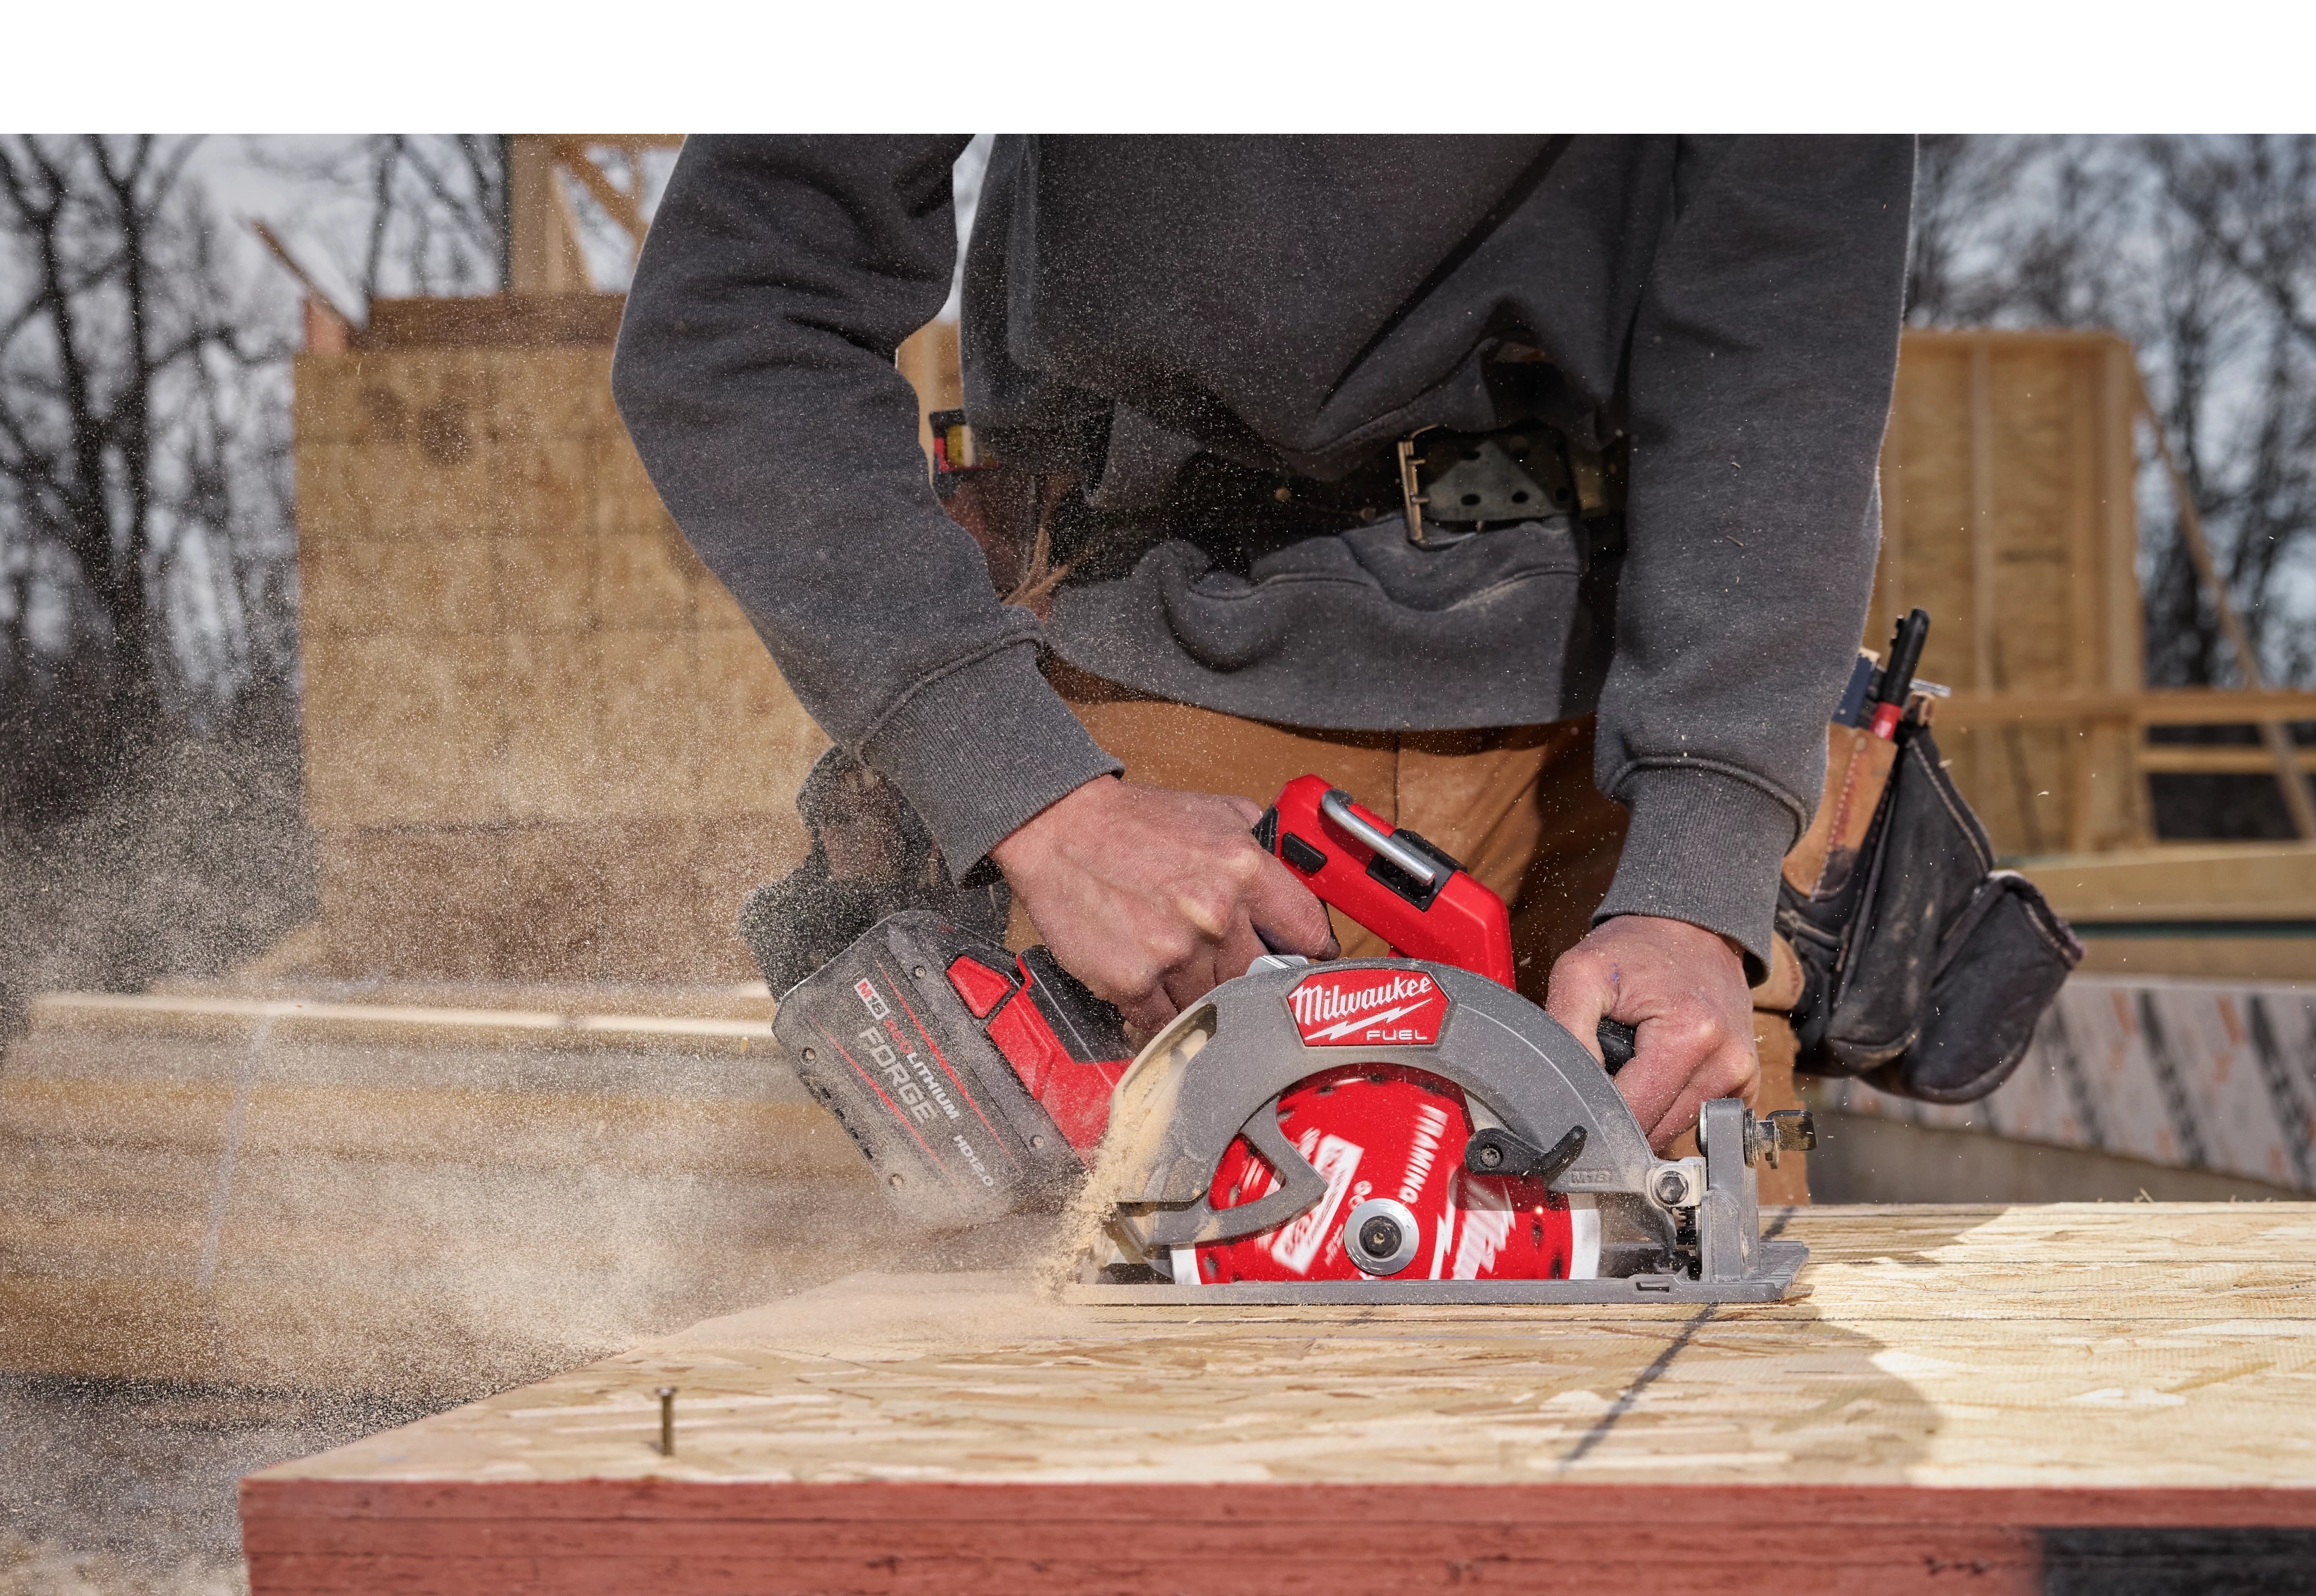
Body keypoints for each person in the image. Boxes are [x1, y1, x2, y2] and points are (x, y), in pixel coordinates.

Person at [611, 134, 1913, 1167]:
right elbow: (738, 310)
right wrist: (1032, 799)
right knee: (1099, 1418)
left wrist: (1698, 864)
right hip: (1167, 710)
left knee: (1693, 1396)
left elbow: (1785, 368)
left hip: (1632, 739)